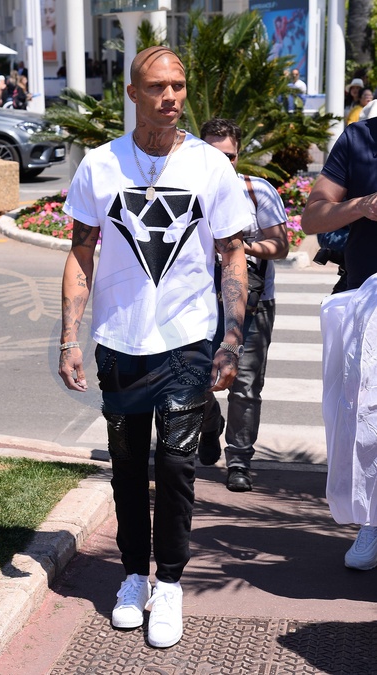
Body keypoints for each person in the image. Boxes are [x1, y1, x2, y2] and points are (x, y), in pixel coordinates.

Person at [58, 46, 251, 648]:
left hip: (186, 340)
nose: (170, 97)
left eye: (179, 85)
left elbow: (233, 255)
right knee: (126, 466)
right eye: (157, 86)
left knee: (174, 465)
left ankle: (168, 583)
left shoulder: (210, 167)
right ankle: (132, 577)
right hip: (120, 341)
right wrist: (68, 337)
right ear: (132, 93)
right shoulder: (100, 165)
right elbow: (81, 252)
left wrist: (231, 339)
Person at [301, 114, 377, 571]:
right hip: (368, 301)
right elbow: (312, 216)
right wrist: (363, 205)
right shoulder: (360, 138)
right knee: (368, 416)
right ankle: (372, 521)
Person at [198, 118, 288, 491]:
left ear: (239, 155)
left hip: (253, 303)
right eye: (213, 155)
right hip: (198, 301)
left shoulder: (257, 191)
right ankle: (208, 424)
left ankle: (238, 460)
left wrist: (238, 247)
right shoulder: (186, 192)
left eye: (230, 156)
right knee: (192, 376)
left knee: (245, 384)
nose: (223, 164)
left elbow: (280, 245)